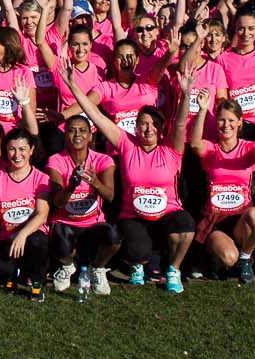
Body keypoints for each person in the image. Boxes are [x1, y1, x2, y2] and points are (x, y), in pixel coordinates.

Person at [65, 65, 195, 294]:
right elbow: (94, 115)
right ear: (135, 127)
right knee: (137, 252)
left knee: (185, 227)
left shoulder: (171, 149)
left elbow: (181, 123)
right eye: (143, 123)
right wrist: (73, 86)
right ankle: (138, 266)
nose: (148, 129)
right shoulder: (126, 143)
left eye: (153, 124)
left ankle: (173, 270)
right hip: (133, 215)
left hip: (167, 212)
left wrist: (185, 95)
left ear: (161, 128)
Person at [188, 95, 255, 285]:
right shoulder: (211, 148)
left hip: (242, 220)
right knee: (228, 258)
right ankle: (219, 257)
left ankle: (245, 258)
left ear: (240, 122)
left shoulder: (249, 147)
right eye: (222, 120)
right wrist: (202, 111)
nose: (226, 125)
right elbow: (194, 144)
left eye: (231, 120)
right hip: (216, 220)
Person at [45, 113, 118, 300]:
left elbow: (109, 196)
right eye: (71, 130)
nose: (77, 135)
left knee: (114, 237)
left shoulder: (103, 160)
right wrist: (71, 186)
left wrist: (95, 183)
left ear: (90, 135)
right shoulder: (56, 160)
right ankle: (67, 266)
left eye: (82, 131)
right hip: (65, 222)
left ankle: (98, 269)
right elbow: (57, 202)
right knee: (57, 233)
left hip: (93, 223)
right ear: (65, 135)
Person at [0, 128, 51, 299]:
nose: (17, 154)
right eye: (12, 149)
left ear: (31, 150)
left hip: (32, 235)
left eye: (22, 149)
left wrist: (23, 234)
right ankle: (12, 276)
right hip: (7, 237)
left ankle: (36, 284)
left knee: (37, 242)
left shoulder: (41, 178)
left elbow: (42, 214)